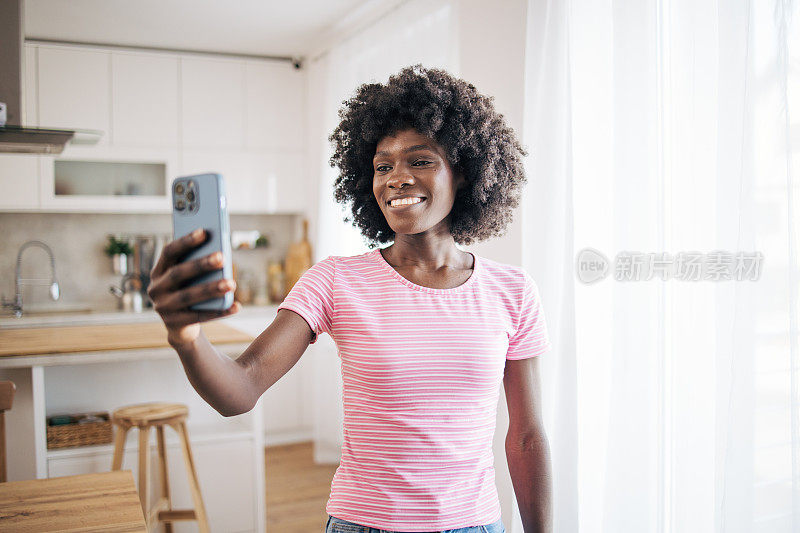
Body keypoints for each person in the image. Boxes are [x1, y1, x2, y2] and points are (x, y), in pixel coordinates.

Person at [147, 65, 553, 533]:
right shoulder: (336, 281)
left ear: (462, 172)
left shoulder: (513, 291)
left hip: (475, 524)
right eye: (383, 165)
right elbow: (240, 388)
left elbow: (525, 438)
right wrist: (185, 336)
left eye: (419, 161)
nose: (396, 178)